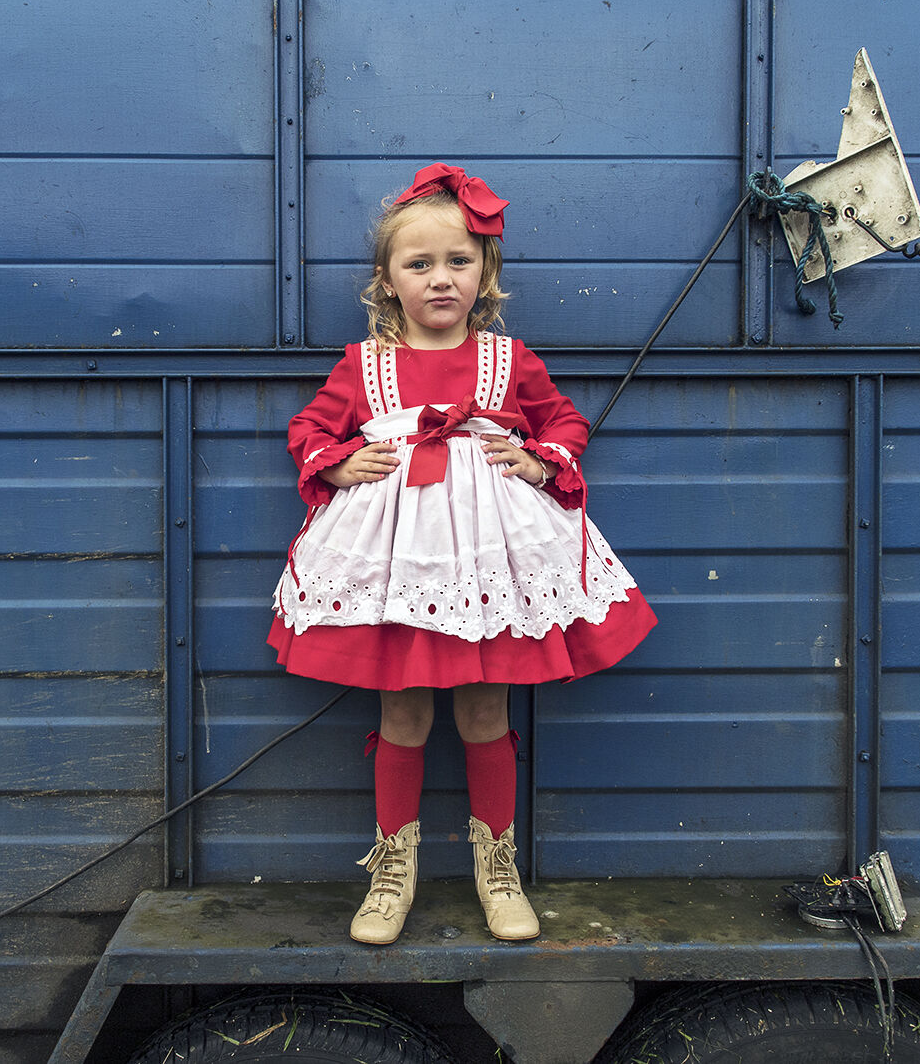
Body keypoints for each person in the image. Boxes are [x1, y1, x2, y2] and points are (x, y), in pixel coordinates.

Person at [268, 163, 657, 945]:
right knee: (403, 708)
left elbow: (567, 424)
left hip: (487, 566)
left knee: (486, 707)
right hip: (398, 567)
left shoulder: (509, 361)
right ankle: (393, 870)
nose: (440, 279)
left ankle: (498, 866)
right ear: (387, 281)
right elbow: (309, 430)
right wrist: (339, 463)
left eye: (458, 261)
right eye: (419, 265)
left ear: (486, 274)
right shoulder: (363, 365)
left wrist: (538, 458)